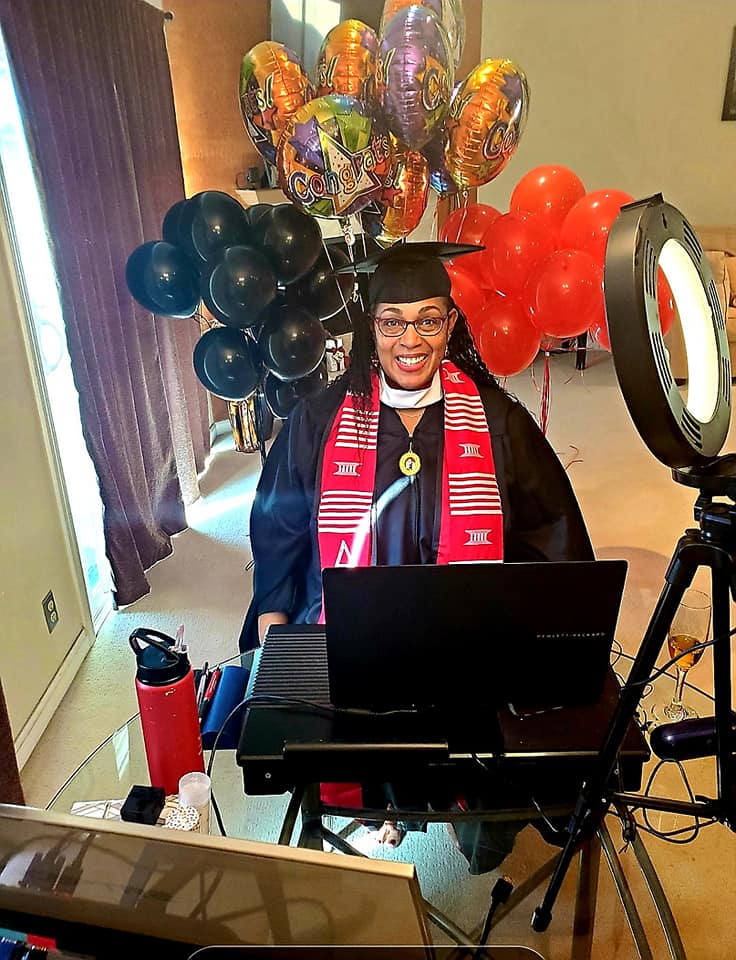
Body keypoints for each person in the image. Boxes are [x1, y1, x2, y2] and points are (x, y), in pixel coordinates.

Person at [239, 241, 594, 870]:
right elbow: (279, 525)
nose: (412, 340)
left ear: (450, 325)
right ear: (369, 327)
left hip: (468, 648)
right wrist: (273, 610)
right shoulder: (319, 419)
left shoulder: (497, 418)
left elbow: (551, 530)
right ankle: (382, 811)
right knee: (353, 749)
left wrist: (542, 629)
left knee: (495, 789)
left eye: (429, 319)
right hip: (352, 644)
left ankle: (464, 815)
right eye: (394, 322)